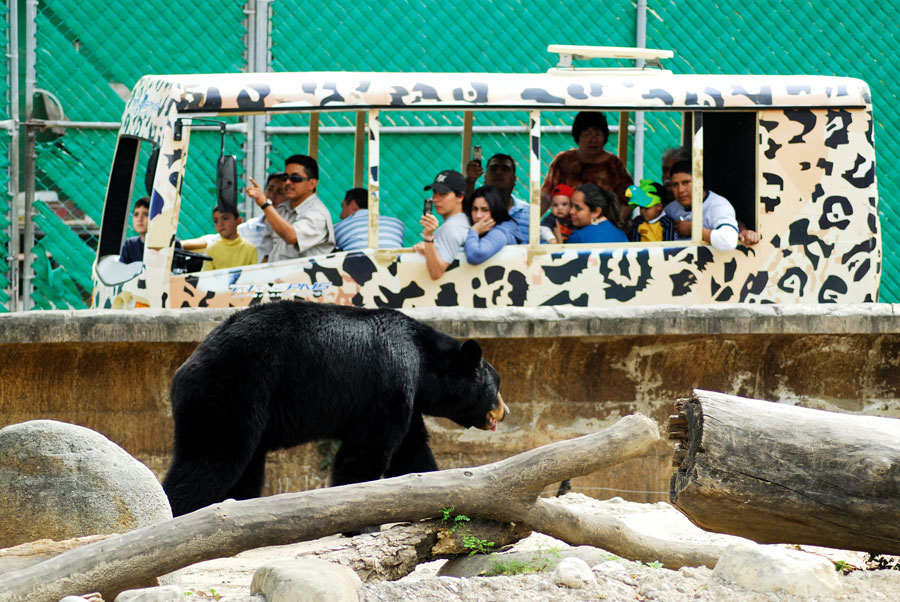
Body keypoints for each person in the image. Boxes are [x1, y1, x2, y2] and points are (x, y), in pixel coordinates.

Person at [540, 111, 633, 216]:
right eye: (587, 134)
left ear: (605, 137)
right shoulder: (563, 161)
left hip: (602, 226)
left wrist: (611, 225)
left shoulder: (614, 165)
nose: (593, 140)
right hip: (566, 225)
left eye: (598, 134)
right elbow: (546, 195)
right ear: (578, 136)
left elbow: (627, 202)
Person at [183, 171, 285, 262]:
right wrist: (178, 244)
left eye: (280, 192)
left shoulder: (290, 229)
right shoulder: (252, 226)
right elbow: (215, 240)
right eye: (270, 189)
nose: (272, 195)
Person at [250, 155, 334, 262]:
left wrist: (265, 204)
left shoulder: (317, 214)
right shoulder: (281, 210)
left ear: (312, 184)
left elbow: (291, 236)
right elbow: (267, 255)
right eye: (285, 177)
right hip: (275, 277)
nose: (288, 182)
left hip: (305, 278)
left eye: (295, 178)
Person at [663, 160, 753, 251]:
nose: (680, 190)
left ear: (700, 182)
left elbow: (728, 241)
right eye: (675, 185)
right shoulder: (671, 209)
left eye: (686, 182)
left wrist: (693, 229)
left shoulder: (718, 205)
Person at [413, 169, 470, 279]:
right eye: (435, 192)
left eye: (443, 194)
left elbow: (436, 272)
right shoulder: (463, 220)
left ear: (460, 197)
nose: (435, 199)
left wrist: (429, 237)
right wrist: (428, 250)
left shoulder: (451, 228)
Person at [465, 153, 528, 243]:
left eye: (505, 169)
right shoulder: (475, 210)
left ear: (514, 180)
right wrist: (470, 181)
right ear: (485, 178)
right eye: (493, 168)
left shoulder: (529, 213)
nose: (498, 172)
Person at [333, 187, 405, 251]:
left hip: (357, 265)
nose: (340, 215)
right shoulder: (397, 225)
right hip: (395, 265)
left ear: (352, 204)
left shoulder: (340, 227)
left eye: (343, 207)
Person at [463, 186, 520, 264]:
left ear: (496, 210)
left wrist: (474, 231)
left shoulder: (502, 231)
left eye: (485, 210)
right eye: (475, 209)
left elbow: (475, 255)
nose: (478, 215)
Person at [200, 205, 258, 271]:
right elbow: (207, 277)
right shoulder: (211, 249)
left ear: (238, 221)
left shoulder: (250, 249)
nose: (220, 224)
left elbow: (254, 276)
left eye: (225, 218)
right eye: (216, 221)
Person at [119, 197, 150, 263]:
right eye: (136, 214)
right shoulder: (130, 245)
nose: (139, 219)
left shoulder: (170, 245)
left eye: (146, 214)